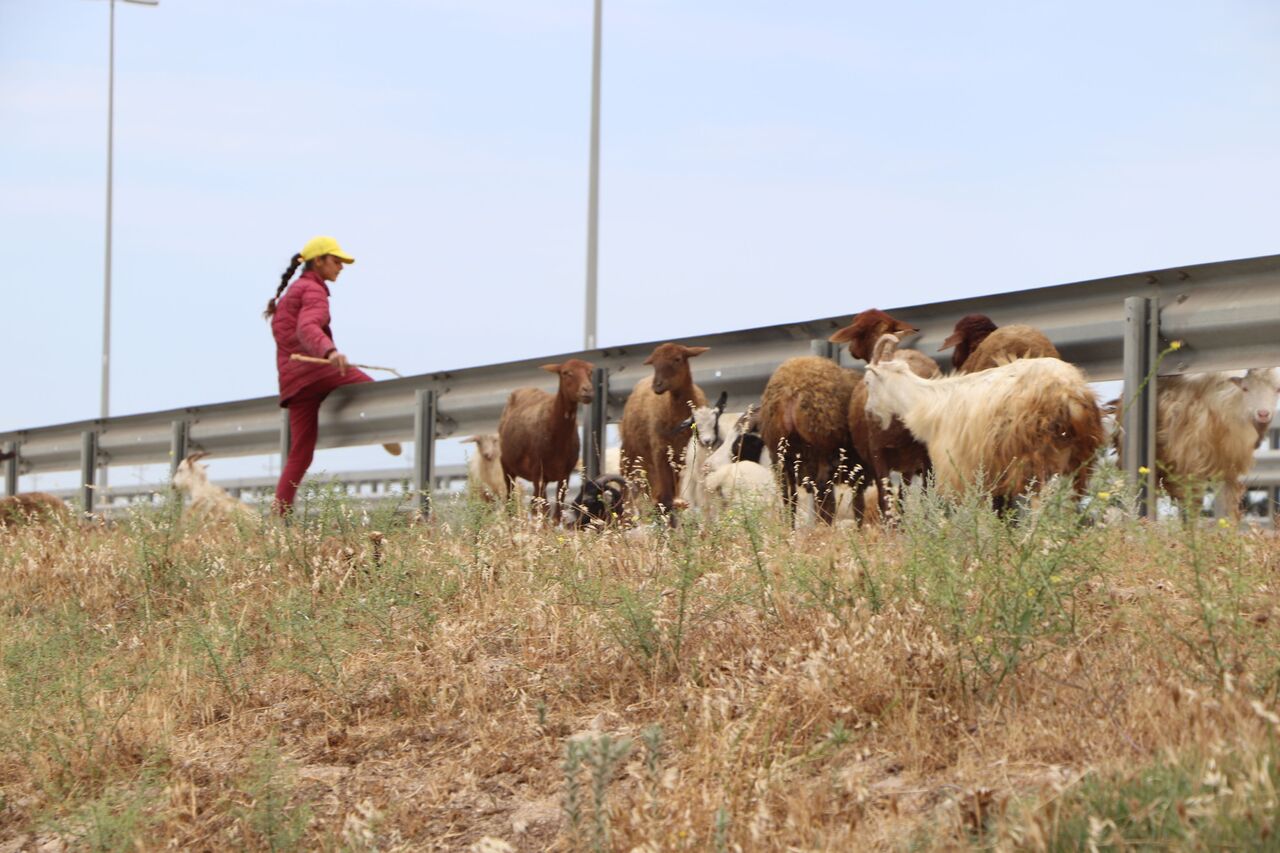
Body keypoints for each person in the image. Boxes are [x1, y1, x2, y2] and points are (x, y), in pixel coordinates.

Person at [265, 236, 399, 515]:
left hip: (294, 383)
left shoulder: (290, 294)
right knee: (374, 393)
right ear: (319, 261)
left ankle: (278, 518)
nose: (341, 267)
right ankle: (387, 431)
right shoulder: (313, 290)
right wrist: (329, 352)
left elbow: (291, 334)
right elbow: (308, 327)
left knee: (300, 455)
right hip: (318, 369)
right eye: (336, 261)